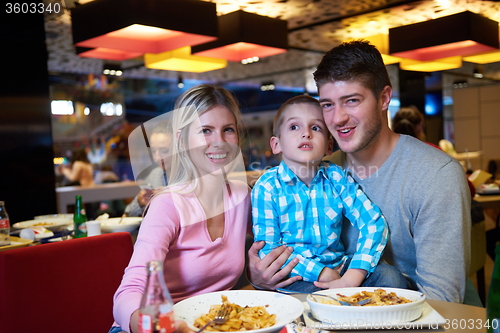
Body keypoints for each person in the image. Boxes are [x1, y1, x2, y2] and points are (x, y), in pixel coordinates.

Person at [248, 40, 472, 304]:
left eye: (351, 100)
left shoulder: (437, 175)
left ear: (384, 98)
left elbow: (443, 302)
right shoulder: (323, 167)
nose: (338, 118)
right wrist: (260, 278)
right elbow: (272, 250)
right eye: (328, 105)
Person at [110, 85, 251, 333]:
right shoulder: (168, 204)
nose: (219, 142)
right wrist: (149, 323)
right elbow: (130, 291)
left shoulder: (241, 195)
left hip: (211, 324)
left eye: (227, 130)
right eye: (205, 131)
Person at [252, 95, 408, 292]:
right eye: (294, 127)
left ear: (328, 146)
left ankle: (355, 313)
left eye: (316, 128)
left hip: (341, 269)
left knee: (392, 278)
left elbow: (373, 223)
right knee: (318, 302)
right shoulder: (267, 187)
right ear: (276, 144)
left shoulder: (336, 177)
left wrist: (355, 273)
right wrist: (319, 272)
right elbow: (269, 250)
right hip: (298, 277)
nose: (306, 134)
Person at [124, 119, 172, 217]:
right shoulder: (156, 175)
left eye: (164, 151)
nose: (157, 157)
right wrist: (140, 202)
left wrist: (172, 196)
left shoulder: (193, 176)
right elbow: (127, 215)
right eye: (154, 151)